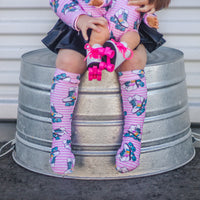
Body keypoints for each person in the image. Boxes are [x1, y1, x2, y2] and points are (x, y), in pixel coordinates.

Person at [42, 0, 171, 175]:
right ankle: (60, 140)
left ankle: (132, 139)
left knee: (133, 60)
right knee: (67, 62)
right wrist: (80, 19)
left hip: (125, 31)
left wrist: (154, 4)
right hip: (84, 27)